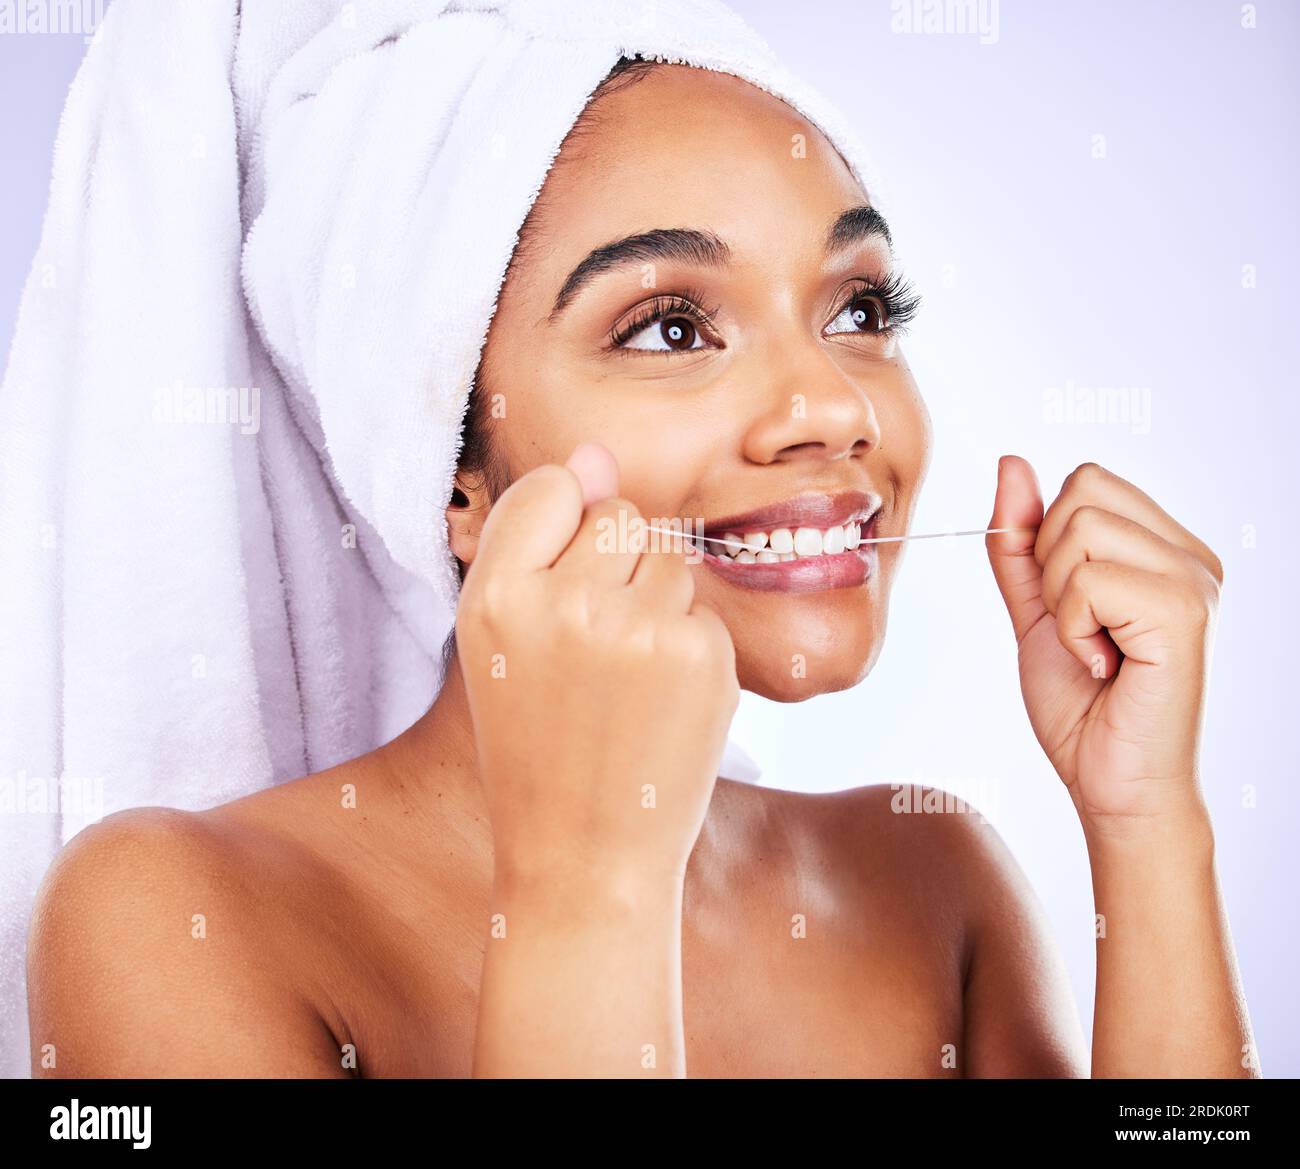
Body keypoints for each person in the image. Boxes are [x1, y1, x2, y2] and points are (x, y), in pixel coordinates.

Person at [25, 54, 1254, 1079]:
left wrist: (1147, 825)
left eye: (859, 309)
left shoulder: (932, 876)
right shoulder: (165, 915)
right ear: (453, 482)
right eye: (672, 326)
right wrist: (586, 890)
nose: (830, 404)